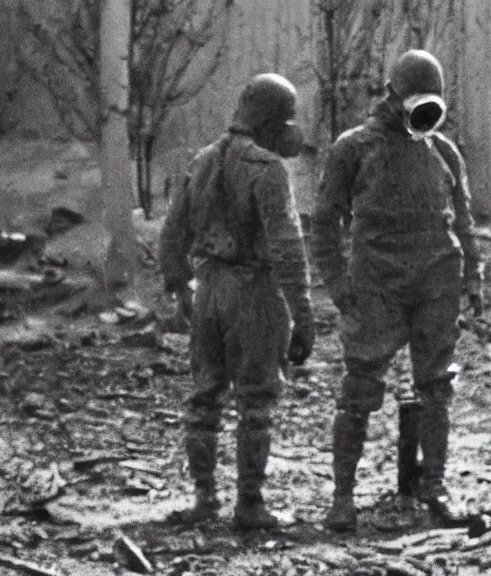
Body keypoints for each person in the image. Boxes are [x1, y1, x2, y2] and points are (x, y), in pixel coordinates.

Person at [311, 49, 483, 532]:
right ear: (392, 96)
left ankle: (434, 490)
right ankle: (343, 498)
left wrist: (473, 279)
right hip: (377, 286)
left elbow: (463, 221)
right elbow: (324, 222)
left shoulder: (444, 152)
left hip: (436, 283)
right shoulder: (353, 148)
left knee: (436, 389)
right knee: (359, 389)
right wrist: (339, 287)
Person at [159, 73, 315, 529]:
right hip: (254, 292)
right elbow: (287, 247)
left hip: (209, 287)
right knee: (257, 400)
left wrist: (181, 287)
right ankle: (250, 504)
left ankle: (204, 500)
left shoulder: (203, 160)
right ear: (271, 121)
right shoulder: (268, 169)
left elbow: (173, 235)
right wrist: (302, 315)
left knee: (204, 397)